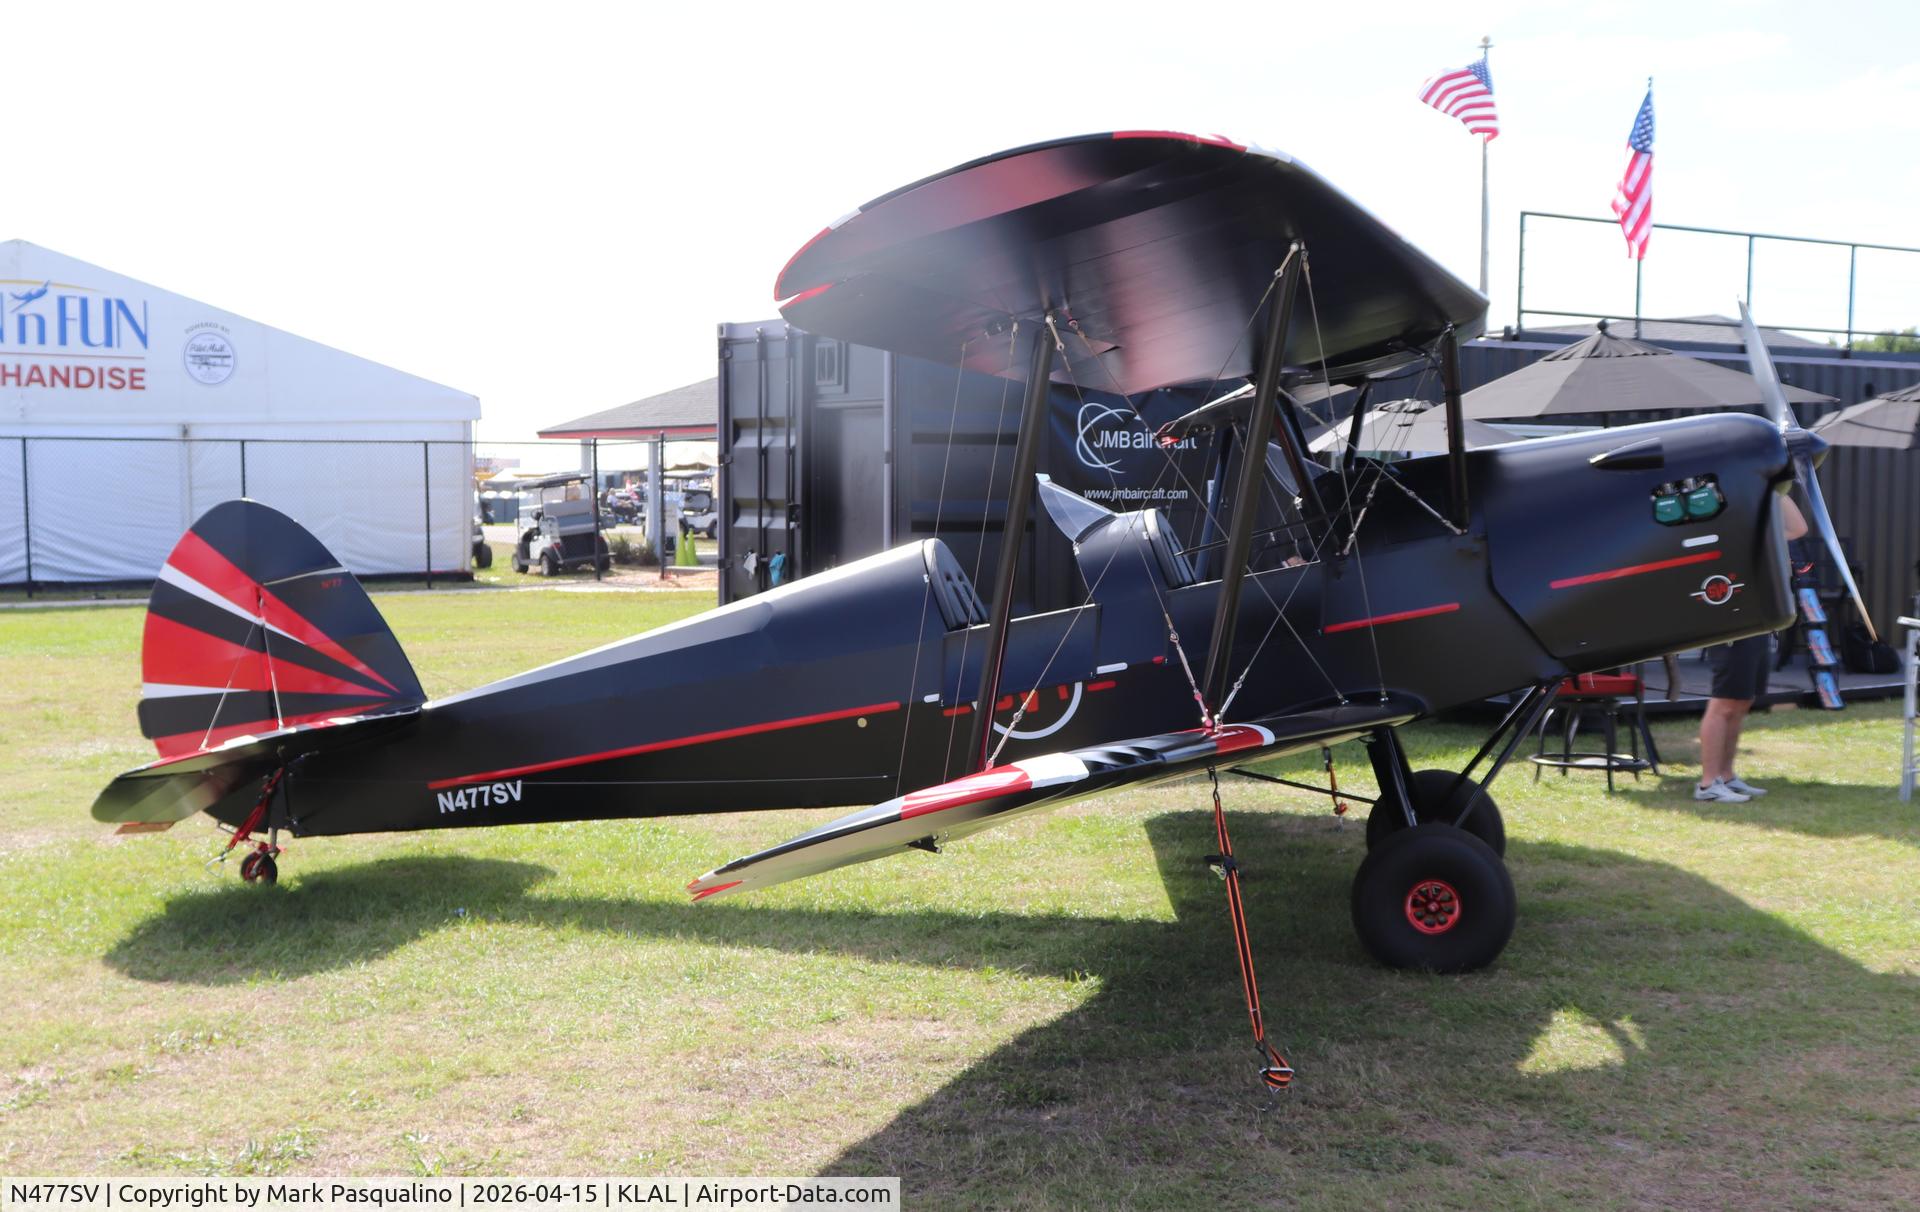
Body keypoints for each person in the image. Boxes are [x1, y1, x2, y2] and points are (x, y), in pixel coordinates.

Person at [1695, 493, 1809, 802]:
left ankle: (1726, 775)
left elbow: (1798, 528)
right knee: (1724, 702)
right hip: (1731, 615)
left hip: (1756, 616)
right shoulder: (1720, 523)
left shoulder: (1759, 522)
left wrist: (1776, 485)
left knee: (1742, 701)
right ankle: (1708, 784)